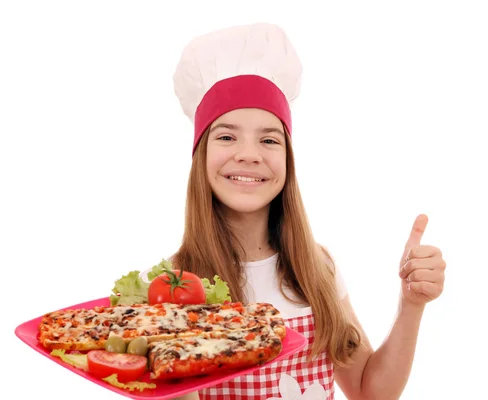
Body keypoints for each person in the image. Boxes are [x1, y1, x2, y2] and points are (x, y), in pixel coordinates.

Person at [150, 23, 447, 400]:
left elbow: (371, 392)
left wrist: (411, 304)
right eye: (226, 136)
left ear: (287, 158)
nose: (249, 154)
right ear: (200, 156)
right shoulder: (168, 286)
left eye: (269, 139)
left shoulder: (315, 267)